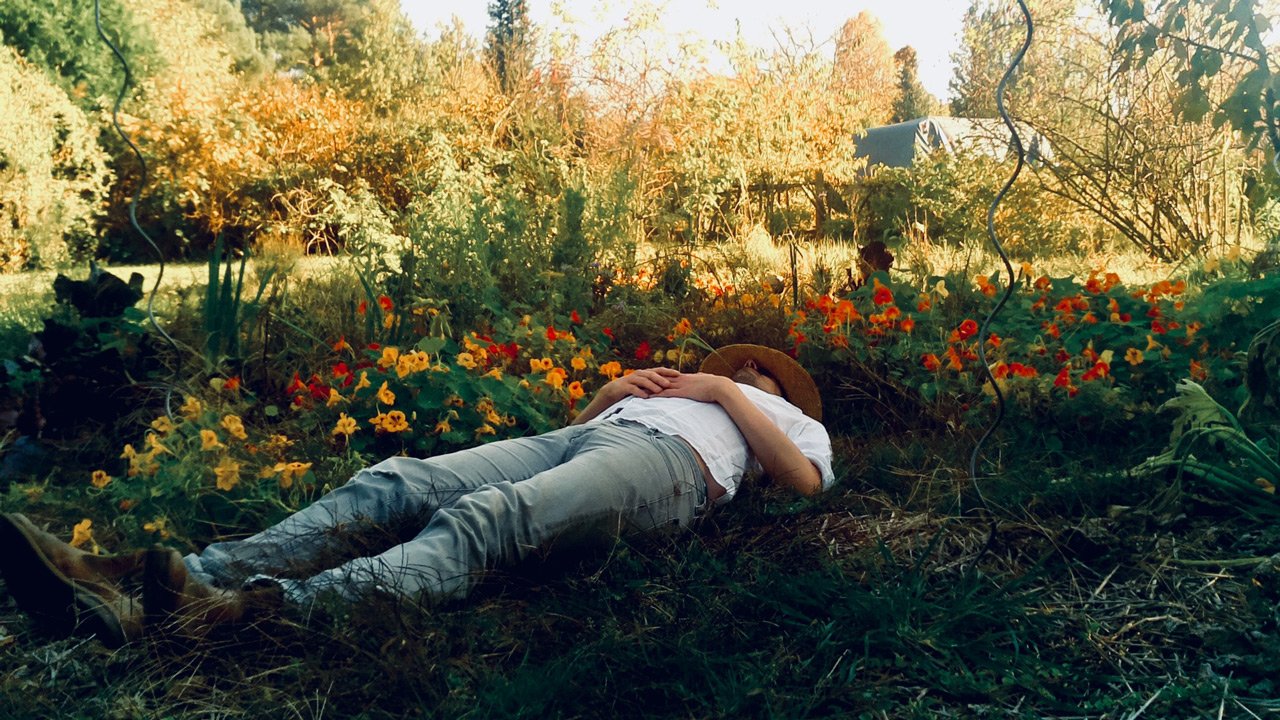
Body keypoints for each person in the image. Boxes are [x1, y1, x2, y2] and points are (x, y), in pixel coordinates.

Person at [0, 344, 833, 646]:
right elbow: (563, 445)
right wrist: (612, 394)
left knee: (489, 520)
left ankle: (242, 615)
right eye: (737, 367)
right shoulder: (680, 387)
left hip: (673, 467)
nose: (742, 369)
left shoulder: (792, 423)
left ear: (781, 391)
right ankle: (164, 578)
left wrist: (723, 395)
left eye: (757, 372)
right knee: (398, 480)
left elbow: (802, 485)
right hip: (597, 436)